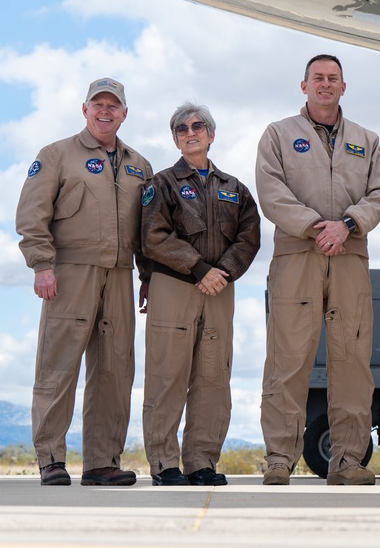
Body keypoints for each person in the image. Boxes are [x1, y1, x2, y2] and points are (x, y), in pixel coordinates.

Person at [256, 54, 380, 486]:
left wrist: (348, 224)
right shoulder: (278, 134)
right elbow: (270, 189)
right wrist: (317, 227)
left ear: (343, 87)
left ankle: (347, 460)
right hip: (297, 254)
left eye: (332, 78)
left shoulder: (366, 139)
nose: (325, 84)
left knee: (352, 360)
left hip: (349, 255)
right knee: (288, 357)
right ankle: (280, 457)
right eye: (317, 78)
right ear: (304, 86)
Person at [16, 77, 152, 486]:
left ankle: (102, 462)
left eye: (114, 106)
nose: (105, 111)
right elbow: (32, 215)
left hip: (121, 275)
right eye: (99, 104)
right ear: (85, 109)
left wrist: (147, 276)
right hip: (69, 273)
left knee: (115, 371)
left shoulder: (139, 165)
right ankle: (51, 459)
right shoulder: (55, 155)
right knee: (58, 368)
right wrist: (42, 264)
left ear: (124, 113)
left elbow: (148, 229)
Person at [139, 102, 261, 486]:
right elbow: (153, 236)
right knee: (167, 375)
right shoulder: (161, 184)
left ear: (211, 134)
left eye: (198, 126)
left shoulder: (234, 188)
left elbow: (249, 236)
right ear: (175, 139)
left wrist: (222, 272)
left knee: (213, 377)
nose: (190, 132)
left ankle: (201, 462)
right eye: (181, 129)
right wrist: (198, 268)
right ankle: (164, 464)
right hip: (175, 285)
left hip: (220, 289)